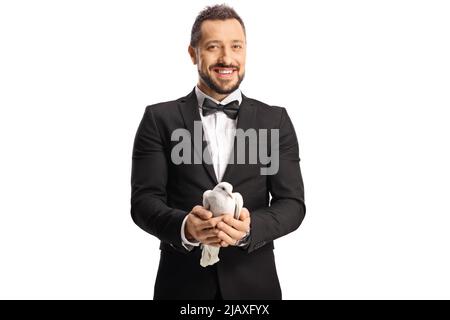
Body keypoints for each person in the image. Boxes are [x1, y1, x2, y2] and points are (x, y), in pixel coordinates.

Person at [130, 4, 305, 300]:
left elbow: (292, 204)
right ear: (192, 53)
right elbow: (144, 201)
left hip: (255, 290)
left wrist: (250, 229)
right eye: (214, 47)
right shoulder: (158, 119)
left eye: (236, 46)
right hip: (181, 289)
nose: (227, 58)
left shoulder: (275, 121)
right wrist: (186, 228)